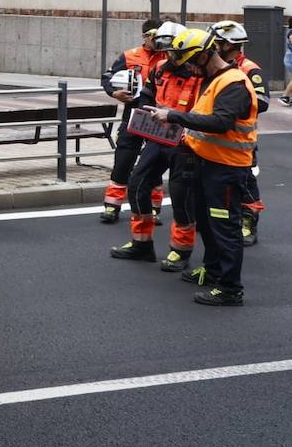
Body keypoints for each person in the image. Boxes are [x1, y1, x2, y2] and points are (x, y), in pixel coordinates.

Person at [143, 28, 258, 306]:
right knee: (207, 223)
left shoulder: (233, 83)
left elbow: (221, 123)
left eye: (192, 62)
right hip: (208, 164)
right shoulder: (213, 79)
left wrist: (174, 116)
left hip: (227, 169)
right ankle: (213, 269)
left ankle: (230, 289)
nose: (191, 69)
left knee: (225, 228)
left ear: (206, 55)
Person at [111, 21, 203, 266]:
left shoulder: (199, 73)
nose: (167, 55)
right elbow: (147, 96)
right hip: (160, 138)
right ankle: (142, 244)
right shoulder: (160, 69)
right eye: (165, 50)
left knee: (182, 196)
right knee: (137, 184)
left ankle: (181, 252)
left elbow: (205, 111)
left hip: (187, 143)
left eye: (171, 50)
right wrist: (146, 113)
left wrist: (174, 115)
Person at [98, 19, 166, 223]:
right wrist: (114, 92)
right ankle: (112, 207)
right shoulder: (129, 55)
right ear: (145, 37)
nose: (158, 42)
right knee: (123, 160)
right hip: (134, 113)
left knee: (153, 163)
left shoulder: (169, 57)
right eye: (153, 37)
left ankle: (154, 209)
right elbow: (107, 78)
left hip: (159, 117)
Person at [209, 20, 268, 246]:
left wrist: (229, 104)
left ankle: (248, 224)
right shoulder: (215, 67)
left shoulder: (250, 69)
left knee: (246, 183)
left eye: (216, 43)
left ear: (228, 45)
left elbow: (262, 102)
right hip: (215, 139)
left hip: (241, 141)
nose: (213, 47)